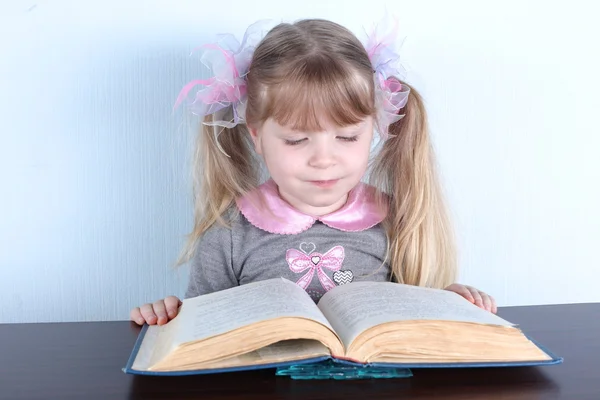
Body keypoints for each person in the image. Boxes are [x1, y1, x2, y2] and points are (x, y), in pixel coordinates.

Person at [130, 18, 497, 326]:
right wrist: (170, 316)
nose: (324, 159)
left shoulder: (396, 220)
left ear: (375, 129)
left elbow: (412, 322)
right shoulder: (228, 235)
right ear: (257, 135)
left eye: (347, 136)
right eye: (296, 140)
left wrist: (447, 303)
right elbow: (202, 328)